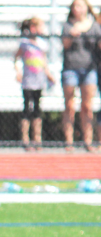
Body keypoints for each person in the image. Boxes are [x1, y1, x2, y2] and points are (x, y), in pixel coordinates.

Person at [61, 0, 101, 151]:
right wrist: (71, 34)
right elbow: (64, 44)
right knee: (69, 105)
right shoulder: (68, 25)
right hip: (70, 68)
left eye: (80, 6)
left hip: (89, 69)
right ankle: (69, 141)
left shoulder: (94, 26)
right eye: (75, 6)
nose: (77, 9)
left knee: (87, 106)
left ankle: (88, 141)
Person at [15, 17, 56, 151]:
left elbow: (44, 61)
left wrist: (49, 75)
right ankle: (25, 139)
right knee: (27, 109)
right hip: (28, 81)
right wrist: (18, 72)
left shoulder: (42, 43)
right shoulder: (24, 43)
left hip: (39, 81)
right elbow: (16, 57)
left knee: (37, 110)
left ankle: (37, 139)